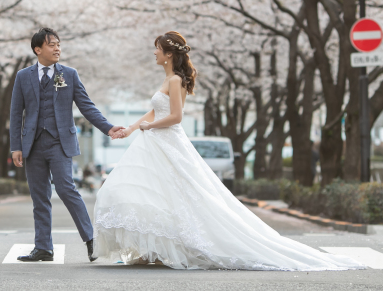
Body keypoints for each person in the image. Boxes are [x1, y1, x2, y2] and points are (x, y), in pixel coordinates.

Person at [94, 31, 363, 271]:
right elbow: (155, 110)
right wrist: (131, 128)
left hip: (168, 141)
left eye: (157, 49)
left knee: (180, 193)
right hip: (155, 140)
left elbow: (176, 116)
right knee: (156, 193)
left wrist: (150, 126)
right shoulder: (167, 80)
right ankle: (154, 249)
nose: (153, 53)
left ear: (168, 55)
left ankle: (167, 249)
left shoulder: (175, 81)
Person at [9, 28, 124, 262]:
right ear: (37, 49)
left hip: (59, 143)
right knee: (39, 196)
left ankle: (92, 241)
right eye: (51, 44)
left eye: (59, 44)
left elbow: (86, 105)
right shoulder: (23, 76)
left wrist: (107, 127)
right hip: (32, 144)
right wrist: (16, 146)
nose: (57, 48)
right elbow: (15, 113)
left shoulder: (69, 74)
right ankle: (43, 247)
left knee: (66, 189)